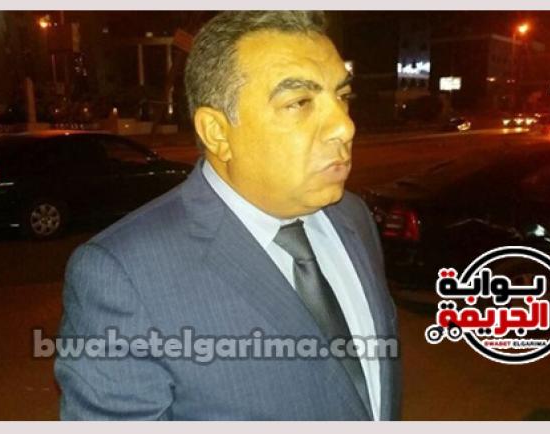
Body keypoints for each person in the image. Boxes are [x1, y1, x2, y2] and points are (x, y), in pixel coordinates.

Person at [54, 10, 401, 420]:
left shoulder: (353, 217)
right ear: (218, 133)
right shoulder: (123, 277)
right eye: (299, 102)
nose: (344, 126)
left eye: (342, 97)